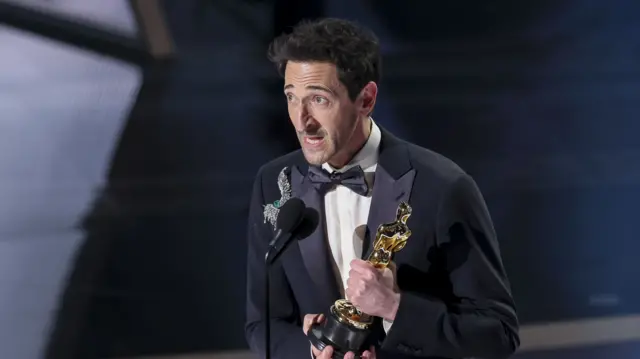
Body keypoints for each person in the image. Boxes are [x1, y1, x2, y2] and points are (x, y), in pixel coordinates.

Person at [244, 18, 520, 359]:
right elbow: (263, 326)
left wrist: (394, 308)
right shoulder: (273, 183)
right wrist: (315, 352)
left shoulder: (443, 187)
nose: (302, 120)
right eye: (291, 97)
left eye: (319, 99)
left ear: (366, 100)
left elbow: (497, 334)